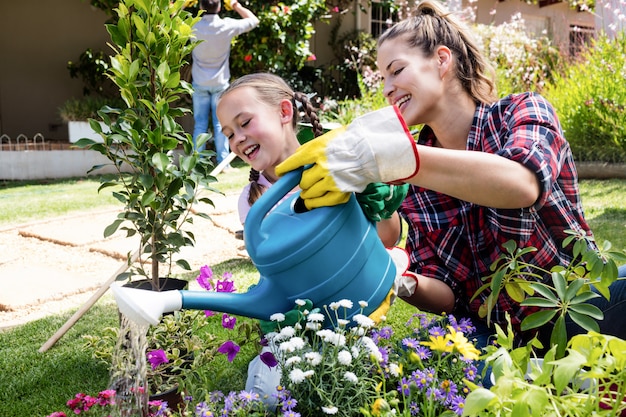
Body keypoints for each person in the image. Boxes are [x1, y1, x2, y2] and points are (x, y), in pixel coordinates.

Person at [275, 0, 626, 349]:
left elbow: (521, 184)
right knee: (418, 369)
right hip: (501, 341)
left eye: (396, 71)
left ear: (442, 60)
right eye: (383, 77)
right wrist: (394, 276)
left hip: (581, 307)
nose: (386, 88)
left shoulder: (522, 111)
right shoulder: (409, 182)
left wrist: (397, 158)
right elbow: (449, 295)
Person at [217, 72, 409, 407]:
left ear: (285, 112)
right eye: (230, 134)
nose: (238, 139)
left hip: (352, 309)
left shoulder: (336, 166)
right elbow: (277, 272)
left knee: (358, 393)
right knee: (266, 398)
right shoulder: (253, 199)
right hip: (297, 320)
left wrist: (374, 199)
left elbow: (387, 238)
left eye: (245, 122)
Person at [191, 0, 259, 168]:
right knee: (220, 124)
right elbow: (253, 20)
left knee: (200, 124)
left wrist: (184, 4)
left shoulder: (193, 26)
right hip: (220, 83)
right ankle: (223, 164)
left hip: (199, 82)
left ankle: (197, 163)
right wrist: (235, 5)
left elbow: (168, 19)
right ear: (220, 7)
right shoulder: (227, 25)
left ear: (200, 7)